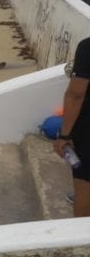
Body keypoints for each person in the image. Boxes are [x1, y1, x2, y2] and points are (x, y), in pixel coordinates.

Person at [53, 37, 90, 217]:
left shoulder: (87, 47)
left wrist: (64, 136)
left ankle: (83, 242)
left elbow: (76, 94)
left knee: (85, 190)